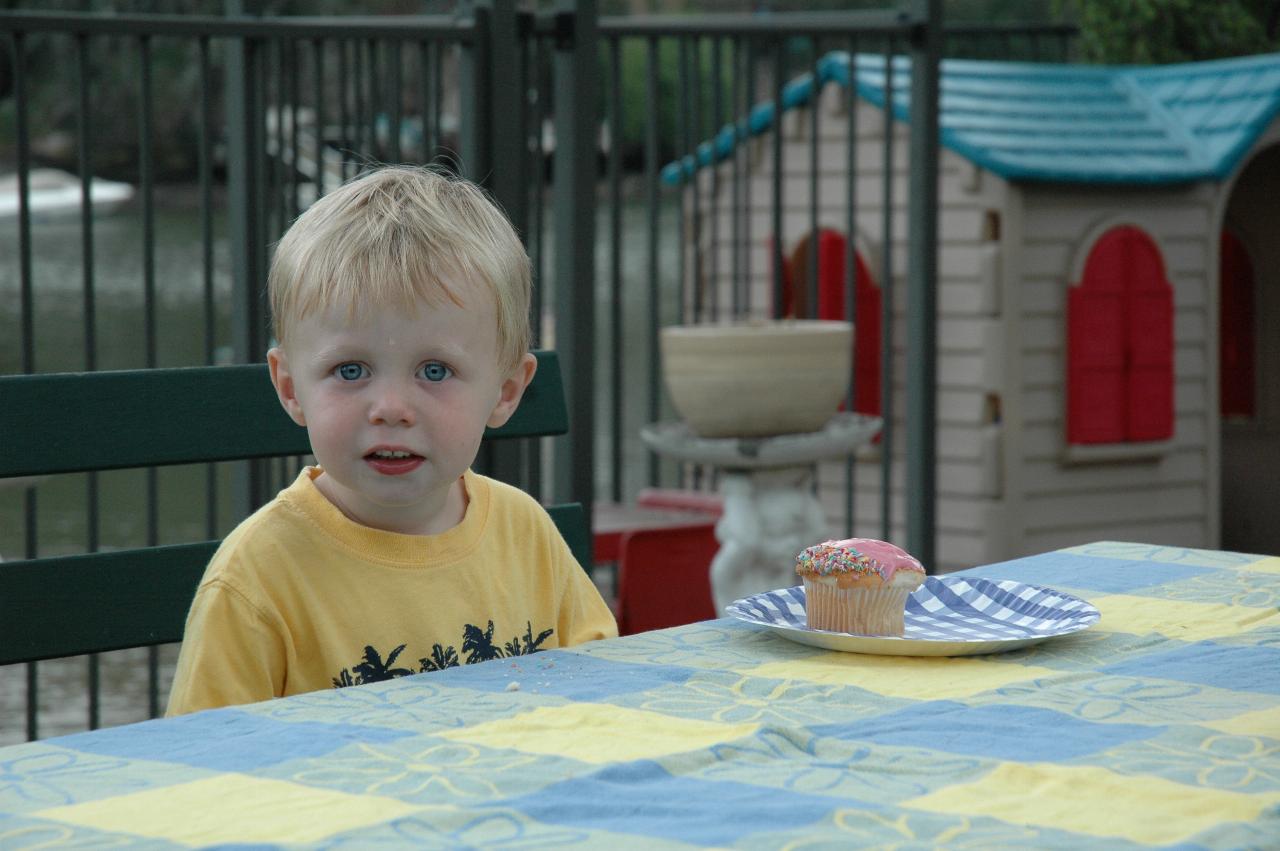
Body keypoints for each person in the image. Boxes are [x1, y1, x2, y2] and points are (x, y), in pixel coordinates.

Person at [167, 166, 617, 715]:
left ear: (505, 391)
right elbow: (205, 764)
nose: (391, 409)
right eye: (351, 371)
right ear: (290, 387)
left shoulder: (525, 534)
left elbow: (602, 687)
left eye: (434, 371)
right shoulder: (257, 579)